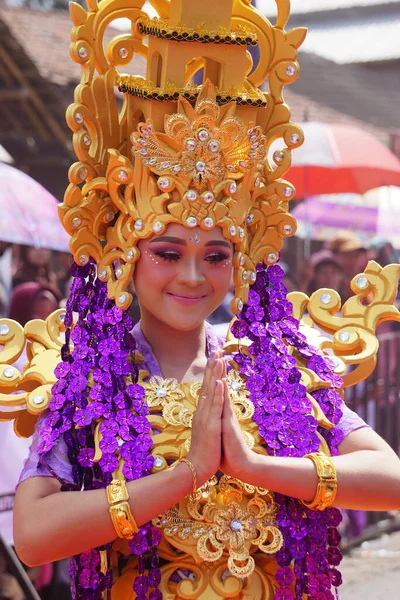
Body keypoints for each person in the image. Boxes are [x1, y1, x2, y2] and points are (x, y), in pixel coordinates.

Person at [4, 3, 400, 600]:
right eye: (167, 252)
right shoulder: (91, 380)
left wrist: (256, 467)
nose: (193, 276)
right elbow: (32, 535)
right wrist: (186, 474)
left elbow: (391, 478)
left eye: (216, 255)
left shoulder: (271, 368)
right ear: (126, 255)